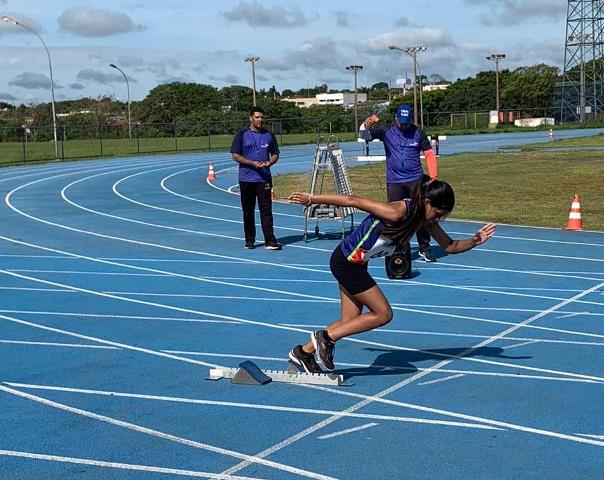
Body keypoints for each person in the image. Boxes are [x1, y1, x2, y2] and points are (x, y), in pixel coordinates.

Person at [287, 176, 496, 373]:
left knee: (350, 321)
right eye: (438, 213)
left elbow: (450, 246)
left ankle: (303, 353)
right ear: (427, 202)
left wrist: (475, 240)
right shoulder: (397, 211)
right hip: (346, 262)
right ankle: (325, 337)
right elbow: (353, 200)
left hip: (357, 264)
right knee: (383, 314)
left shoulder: (424, 219)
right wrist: (311, 198)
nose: (438, 218)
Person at [360, 104, 439, 262]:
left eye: (406, 122)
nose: (403, 125)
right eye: (401, 122)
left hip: (415, 179)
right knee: (394, 216)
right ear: (396, 118)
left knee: (421, 213)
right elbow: (364, 135)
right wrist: (367, 123)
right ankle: (399, 246)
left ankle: (425, 247)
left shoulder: (418, 132)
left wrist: (433, 176)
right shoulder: (386, 130)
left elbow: (429, 153)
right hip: (395, 181)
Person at [230, 106, 281, 250]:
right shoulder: (241, 134)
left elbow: (276, 153)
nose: (260, 120)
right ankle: (250, 240)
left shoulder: (269, 135)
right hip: (246, 179)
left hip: (264, 179)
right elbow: (235, 155)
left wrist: (270, 162)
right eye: (257, 117)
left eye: (262, 117)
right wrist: (252, 163)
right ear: (251, 118)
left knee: (266, 210)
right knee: (248, 211)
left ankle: (270, 240)